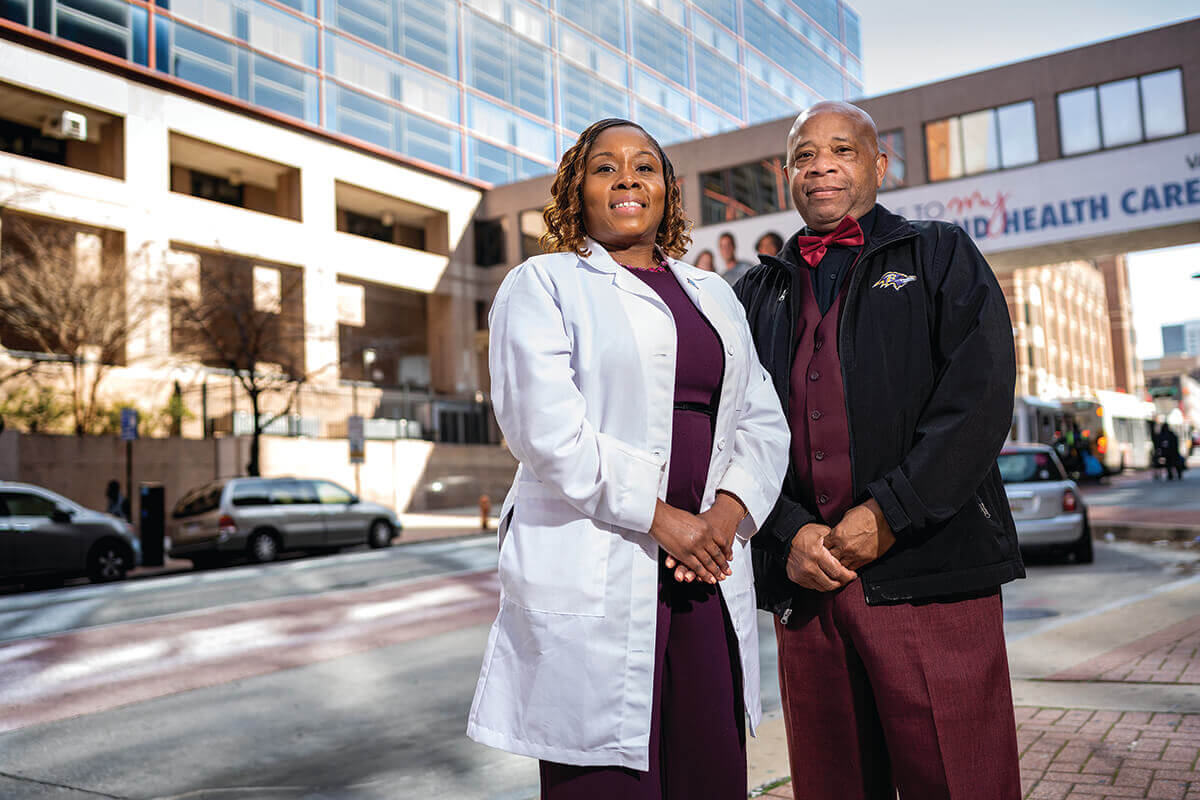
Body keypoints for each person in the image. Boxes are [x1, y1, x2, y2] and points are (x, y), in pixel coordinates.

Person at [468, 118, 789, 799]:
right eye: (604, 167)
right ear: (577, 190)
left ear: (667, 192)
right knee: (606, 783)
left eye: (643, 166)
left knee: (710, 772)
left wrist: (723, 520)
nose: (626, 179)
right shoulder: (544, 283)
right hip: (601, 558)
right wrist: (664, 519)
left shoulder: (714, 294)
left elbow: (762, 418)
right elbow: (545, 429)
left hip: (704, 570)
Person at [734, 101, 1024, 800]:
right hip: (808, 586)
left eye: (842, 150)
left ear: (878, 165)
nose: (822, 165)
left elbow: (979, 399)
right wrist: (787, 532)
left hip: (929, 574)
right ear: (785, 176)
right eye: (805, 154)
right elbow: (732, 432)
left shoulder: (939, 253)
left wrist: (890, 513)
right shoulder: (753, 292)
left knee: (960, 782)